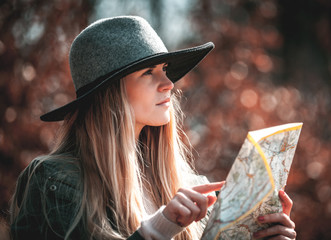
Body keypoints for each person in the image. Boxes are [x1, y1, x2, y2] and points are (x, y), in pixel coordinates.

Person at [9, 16, 296, 240]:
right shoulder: (55, 183)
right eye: (148, 72)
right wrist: (160, 228)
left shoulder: (189, 185)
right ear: (109, 93)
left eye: (165, 69)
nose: (169, 84)